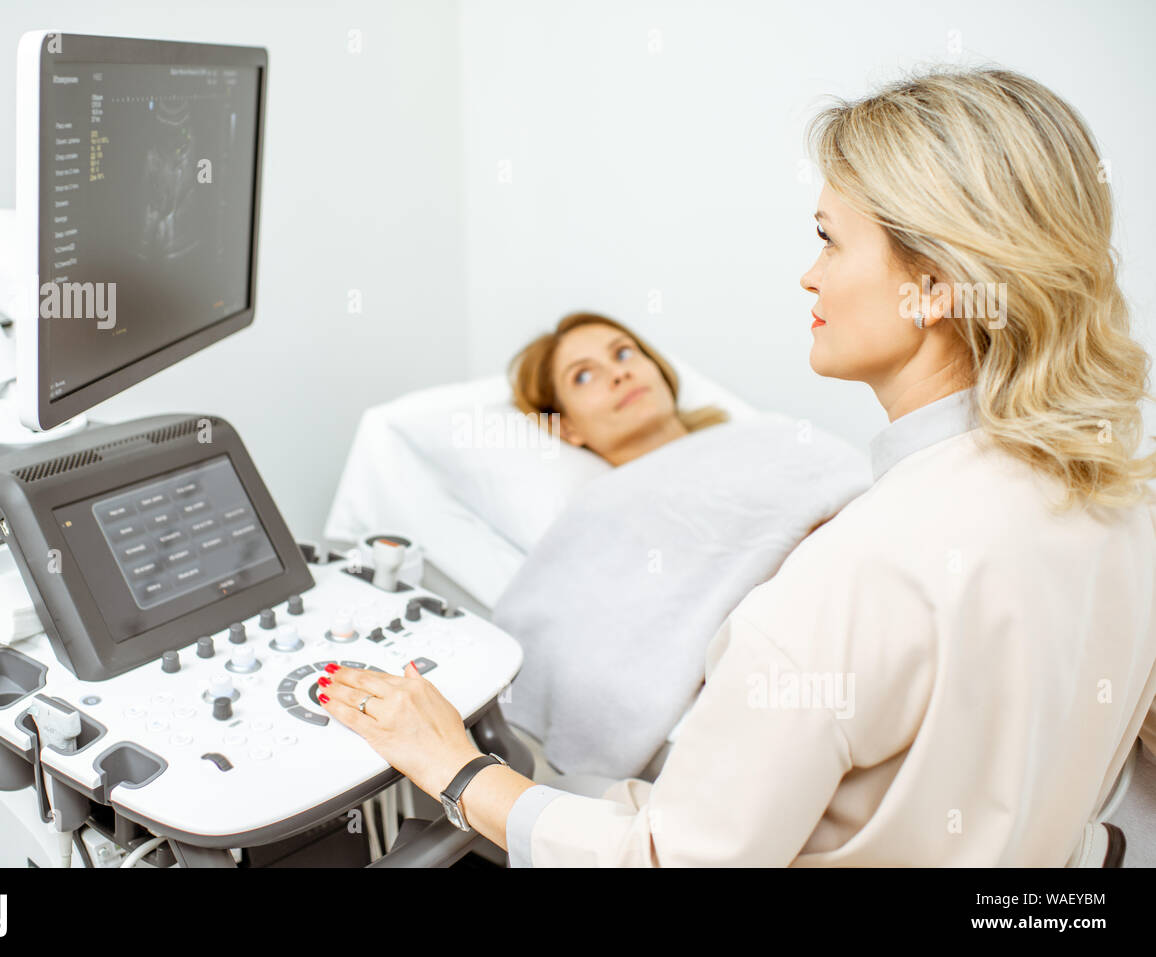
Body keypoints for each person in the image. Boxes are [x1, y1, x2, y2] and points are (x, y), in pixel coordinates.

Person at [317, 66, 1156, 865]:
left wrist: (458, 770)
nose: (808, 274)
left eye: (829, 241)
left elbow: (669, 858)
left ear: (933, 288)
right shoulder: (1122, 503)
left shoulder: (842, 583)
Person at [509, 312, 728, 466]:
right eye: (583, 376)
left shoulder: (748, 443)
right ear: (565, 428)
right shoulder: (604, 520)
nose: (619, 374)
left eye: (623, 353)